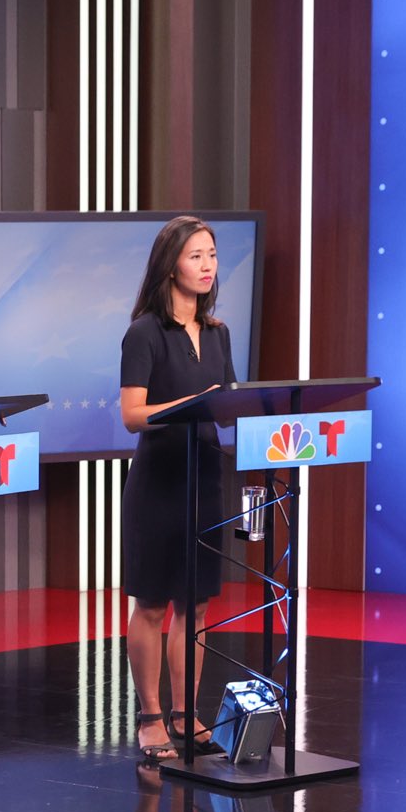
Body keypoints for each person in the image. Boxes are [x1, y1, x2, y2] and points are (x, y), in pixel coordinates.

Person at [117, 215, 235, 761]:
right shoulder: (144, 331)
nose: (208, 265)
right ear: (170, 264)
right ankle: (150, 716)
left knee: (198, 602)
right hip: (160, 479)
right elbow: (132, 415)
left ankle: (188, 712)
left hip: (206, 475)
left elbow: (226, 405)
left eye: (212, 254)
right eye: (196, 256)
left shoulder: (217, 333)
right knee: (153, 602)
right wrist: (190, 407)